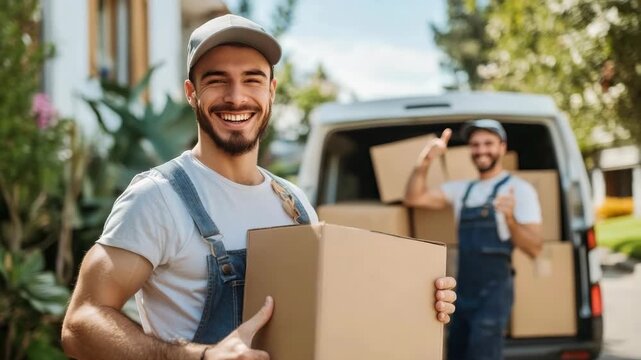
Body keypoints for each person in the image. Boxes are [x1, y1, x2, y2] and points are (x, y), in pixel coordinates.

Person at [61, 14, 457, 360]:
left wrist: (414, 301)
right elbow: (81, 323)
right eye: (217, 81)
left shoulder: (294, 203)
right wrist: (199, 357)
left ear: (271, 90)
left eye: (252, 79)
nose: (236, 97)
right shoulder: (158, 197)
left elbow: (330, 309)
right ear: (190, 93)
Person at [404, 119, 543, 360]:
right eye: (475, 144)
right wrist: (426, 160)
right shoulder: (462, 190)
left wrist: (510, 219)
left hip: (494, 294)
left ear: (502, 147)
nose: (481, 150)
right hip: (462, 291)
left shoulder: (519, 190)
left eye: (488, 143)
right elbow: (414, 198)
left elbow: (534, 248)